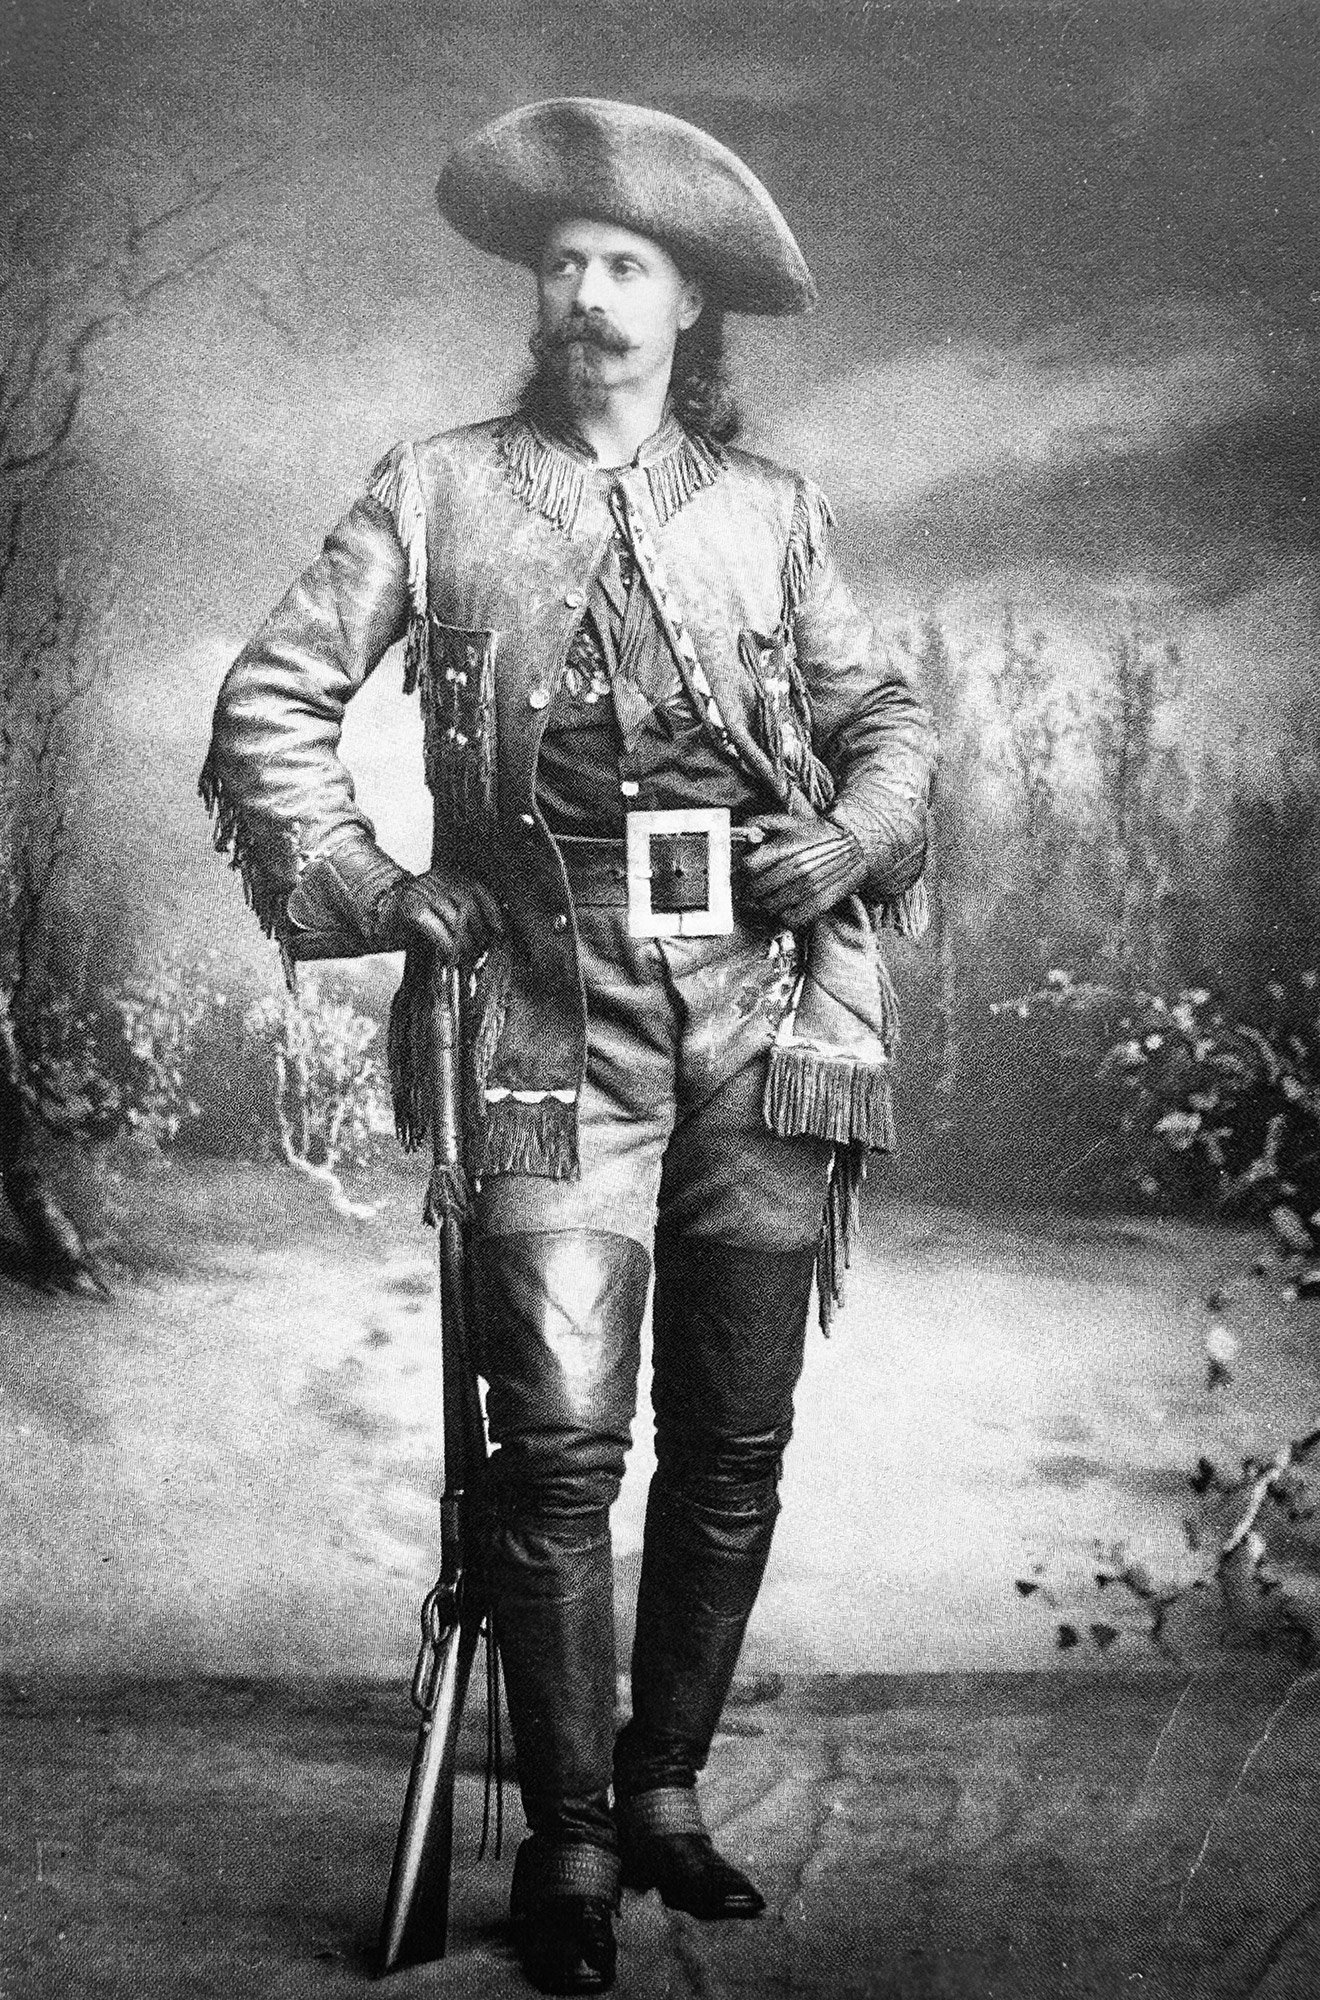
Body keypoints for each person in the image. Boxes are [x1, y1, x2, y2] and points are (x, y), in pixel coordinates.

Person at [201, 98, 937, 1996]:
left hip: (765, 1014)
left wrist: (844, 839)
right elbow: (275, 691)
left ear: (694, 308)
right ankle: (574, 1839)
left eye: (625, 265)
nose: (586, 293)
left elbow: (890, 727)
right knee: (554, 1455)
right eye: (563, 265)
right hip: (540, 1012)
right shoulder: (437, 489)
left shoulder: (777, 516)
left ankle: (668, 1791)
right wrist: (370, 884)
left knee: (735, 1437)